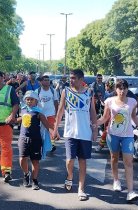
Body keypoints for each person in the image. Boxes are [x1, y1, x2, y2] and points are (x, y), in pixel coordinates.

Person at [53, 69, 97, 201]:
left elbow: (93, 112)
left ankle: (81, 188)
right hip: (70, 132)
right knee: (70, 160)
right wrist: (55, 130)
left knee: (82, 161)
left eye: (73, 78)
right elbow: (60, 111)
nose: (70, 80)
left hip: (85, 133)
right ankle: (70, 176)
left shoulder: (89, 92)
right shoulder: (66, 91)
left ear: (80, 79)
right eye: (70, 78)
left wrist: (95, 130)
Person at [97, 79, 138, 202]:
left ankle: (131, 192)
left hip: (128, 136)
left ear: (127, 89)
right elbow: (105, 117)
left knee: (128, 162)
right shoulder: (109, 101)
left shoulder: (132, 102)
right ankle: (116, 180)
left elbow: (134, 116)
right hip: (113, 135)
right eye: (119, 88)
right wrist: (95, 123)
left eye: (124, 88)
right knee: (114, 158)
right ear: (116, 90)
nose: (122, 91)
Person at [17, 91, 52, 190]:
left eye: (31, 99)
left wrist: (53, 133)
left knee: (35, 161)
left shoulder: (39, 112)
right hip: (23, 138)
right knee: (22, 158)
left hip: (36, 139)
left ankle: (34, 180)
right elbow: (21, 119)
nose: (29, 101)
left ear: (36, 101)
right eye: (27, 99)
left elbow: (46, 124)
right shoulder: (23, 110)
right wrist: (12, 120)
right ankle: (26, 174)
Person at [35, 75, 59, 152]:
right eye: (45, 80)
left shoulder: (53, 91)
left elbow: (56, 102)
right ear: (41, 82)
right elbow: (34, 103)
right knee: (41, 131)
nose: (47, 81)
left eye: (48, 80)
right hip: (41, 115)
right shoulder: (37, 91)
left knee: (51, 129)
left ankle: (52, 144)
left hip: (51, 114)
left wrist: (57, 113)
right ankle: (41, 144)